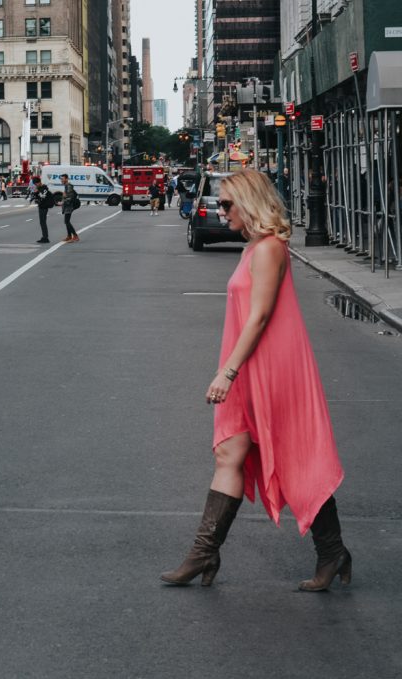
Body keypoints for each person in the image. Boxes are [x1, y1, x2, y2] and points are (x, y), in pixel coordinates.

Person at [160, 169, 349, 591]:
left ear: (249, 202)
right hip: (247, 365)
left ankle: (332, 551)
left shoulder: (268, 250)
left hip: (271, 367)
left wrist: (227, 372)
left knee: (297, 456)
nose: (220, 210)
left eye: (227, 204)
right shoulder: (252, 249)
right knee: (229, 454)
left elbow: (260, 317)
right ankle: (203, 554)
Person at [29, 176, 54, 243]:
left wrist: (36, 193)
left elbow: (41, 198)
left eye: (36, 184)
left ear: (39, 182)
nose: (35, 185)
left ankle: (45, 238)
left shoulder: (43, 189)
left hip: (43, 207)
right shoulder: (41, 188)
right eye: (35, 184)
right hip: (42, 206)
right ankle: (44, 237)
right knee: (42, 222)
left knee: (43, 222)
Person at [58, 174, 79, 243]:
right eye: (61, 179)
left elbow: (70, 197)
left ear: (66, 179)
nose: (61, 180)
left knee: (67, 221)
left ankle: (75, 236)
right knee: (66, 221)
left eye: (63, 179)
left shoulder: (69, 186)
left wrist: (63, 202)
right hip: (67, 205)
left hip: (69, 206)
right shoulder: (66, 186)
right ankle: (69, 236)